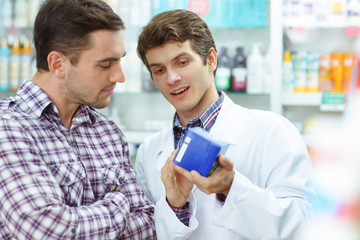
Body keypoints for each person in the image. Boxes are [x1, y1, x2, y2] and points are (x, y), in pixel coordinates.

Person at [135, 9, 315, 240]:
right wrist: (175, 206)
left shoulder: (272, 131)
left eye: (182, 62)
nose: (171, 78)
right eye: (159, 70)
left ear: (211, 60)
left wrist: (231, 188)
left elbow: (305, 227)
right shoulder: (149, 152)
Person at [0, 0, 156, 239]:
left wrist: (77, 221)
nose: (120, 76)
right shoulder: (8, 128)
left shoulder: (108, 133)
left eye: (120, 60)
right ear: (58, 64)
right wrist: (118, 203)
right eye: (105, 64)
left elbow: (147, 224)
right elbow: (47, 232)